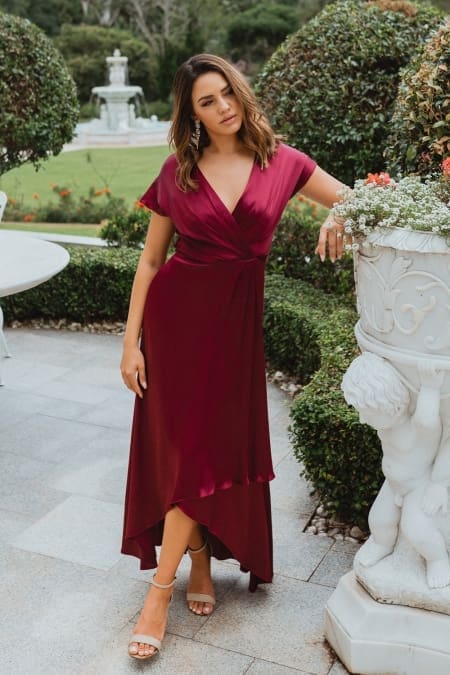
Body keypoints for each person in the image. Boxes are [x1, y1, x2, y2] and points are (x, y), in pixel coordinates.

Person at [120, 53, 345, 661]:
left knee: (207, 451)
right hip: (175, 326)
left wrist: (343, 214)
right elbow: (149, 263)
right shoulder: (180, 171)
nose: (222, 108)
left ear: (240, 93)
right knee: (188, 450)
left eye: (226, 94)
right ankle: (165, 589)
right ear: (190, 115)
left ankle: (190, 565)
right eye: (206, 102)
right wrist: (130, 342)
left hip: (234, 332)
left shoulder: (285, 162)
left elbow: (353, 200)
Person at [342, 352, 450, 589]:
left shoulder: (418, 428)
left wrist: (430, 387)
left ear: (389, 406)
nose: (361, 419)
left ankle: (438, 559)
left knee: (416, 529)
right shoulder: (385, 422)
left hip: (416, 487)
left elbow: (428, 418)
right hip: (392, 484)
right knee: (379, 521)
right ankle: (382, 545)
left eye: (366, 411)